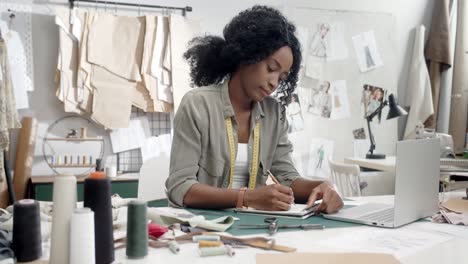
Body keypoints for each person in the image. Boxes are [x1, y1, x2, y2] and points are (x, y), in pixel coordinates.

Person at [166, 6, 343, 213]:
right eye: (271, 68)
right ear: (248, 54)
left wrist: (323, 187)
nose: (274, 83)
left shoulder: (274, 114)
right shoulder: (197, 105)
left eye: (282, 77)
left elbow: (288, 178)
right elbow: (181, 188)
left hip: (252, 226)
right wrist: (246, 197)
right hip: (202, 227)